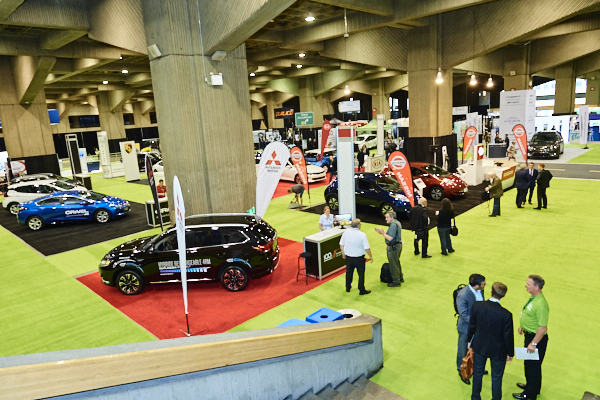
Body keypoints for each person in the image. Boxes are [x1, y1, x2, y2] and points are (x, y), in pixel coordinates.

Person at [468, 282, 514, 400]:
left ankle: (475, 397)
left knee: (477, 373)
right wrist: (510, 353)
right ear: (503, 295)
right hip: (498, 351)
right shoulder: (506, 315)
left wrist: (469, 341)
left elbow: (472, 325)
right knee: (496, 378)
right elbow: (508, 336)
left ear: (491, 291)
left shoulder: (477, 306)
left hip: (480, 345)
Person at [513, 275, 549, 400]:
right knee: (534, 366)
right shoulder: (534, 298)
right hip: (530, 335)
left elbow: (542, 328)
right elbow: (531, 317)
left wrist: (533, 344)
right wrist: (523, 326)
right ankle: (534, 387)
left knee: (531, 367)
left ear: (536, 287)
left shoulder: (541, 304)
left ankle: (529, 394)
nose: (525, 285)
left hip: (536, 339)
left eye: (528, 284)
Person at [456, 274, 486, 384]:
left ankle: (477, 367)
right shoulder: (463, 295)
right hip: (466, 328)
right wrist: (477, 323)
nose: (485, 284)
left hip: (478, 326)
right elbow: (463, 314)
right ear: (477, 285)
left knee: (477, 347)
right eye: (483, 283)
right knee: (463, 349)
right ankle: (462, 370)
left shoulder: (480, 290)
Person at [339, 219, 373, 295]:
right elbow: (366, 248)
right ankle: (361, 289)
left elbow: (341, 244)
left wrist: (343, 253)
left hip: (349, 257)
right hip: (359, 258)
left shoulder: (346, 233)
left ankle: (348, 287)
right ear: (359, 226)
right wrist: (370, 256)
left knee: (349, 273)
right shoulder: (362, 235)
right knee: (361, 273)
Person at [374, 211, 403, 287]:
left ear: (392, 217)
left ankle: (396, 281)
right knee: (396, 262)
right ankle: (400, 277)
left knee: (393, 264)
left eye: (387, 217)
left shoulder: (393, 225)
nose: (385, 219)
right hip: (397, 246)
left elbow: (390, 238)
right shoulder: (397, 223)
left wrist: (382, 233)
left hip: (393, 247)